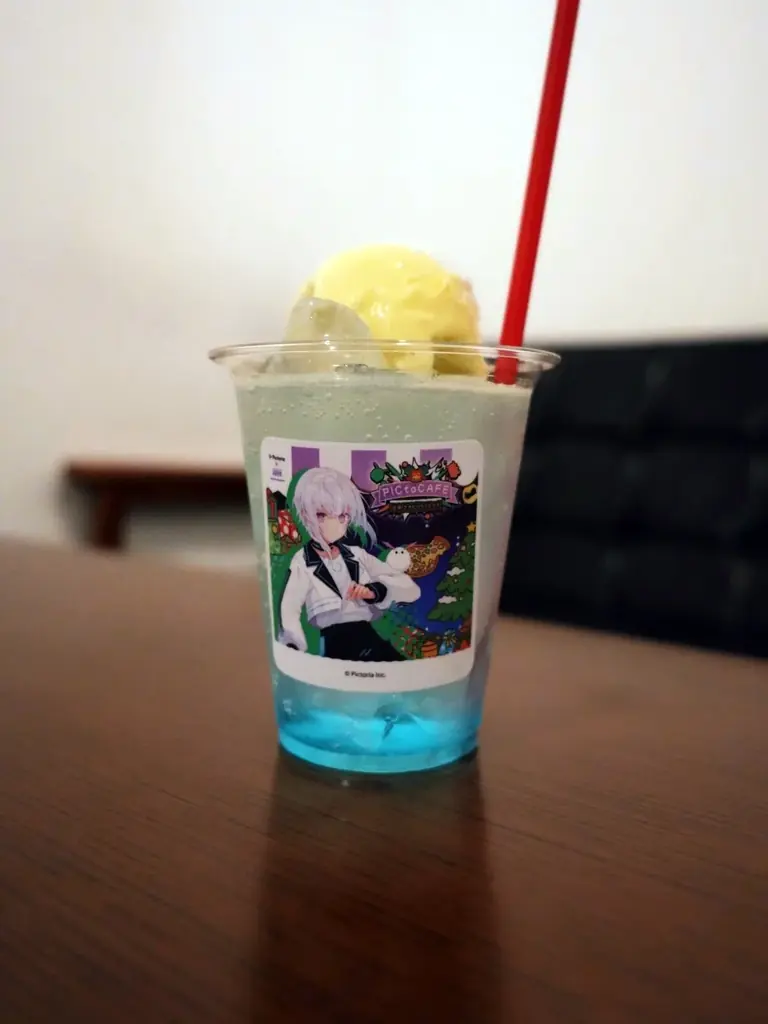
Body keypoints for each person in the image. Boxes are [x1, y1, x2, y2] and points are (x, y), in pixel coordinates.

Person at [279, 467, 420, 661]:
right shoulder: (302, 560)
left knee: (398, 667)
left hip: (368, 636)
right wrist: (293, 644)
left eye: (342, 516)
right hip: (334, 641)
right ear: (305, 515)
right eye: (321, 515)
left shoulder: (356, 555)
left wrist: (374, 591)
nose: (334, 524)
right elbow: (290, 606)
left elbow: (408, 587)